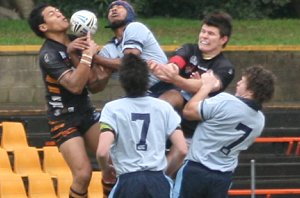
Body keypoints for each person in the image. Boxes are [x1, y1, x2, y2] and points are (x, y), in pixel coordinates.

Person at [28, 4, 109, 198]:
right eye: (52, 14)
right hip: (63, 119)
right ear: (43, 27)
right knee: (83, 174)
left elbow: (95, 87)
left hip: (87, 113)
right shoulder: (48, 54)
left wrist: (105, 73)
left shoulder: (77, 42)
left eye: (58, 11)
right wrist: (87, 56)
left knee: (112, 163)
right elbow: (74, 86)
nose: (59, 13)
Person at [173, 65, 276, 198]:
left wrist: (205, 87)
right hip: (223, 177)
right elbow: (222, 114)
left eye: (242, 81)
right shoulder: (259, 121)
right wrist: (201, 94)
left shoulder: (226, 100)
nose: (238, 83)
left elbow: (188, 112)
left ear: (250, 91)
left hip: (196, 169)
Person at [96, 53, 188, 198]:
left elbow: (102, 151)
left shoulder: (112, 108)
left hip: (128, 181)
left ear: (122, 80)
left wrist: (106, 169)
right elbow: (182, 149)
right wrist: (165, 172)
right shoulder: (163, 107)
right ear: (147, 79)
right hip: (157, 181)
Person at [149, 11, 235, 139]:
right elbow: (174, 65)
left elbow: (205, 86)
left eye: (210, 33)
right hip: (167, 104)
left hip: (192, 126)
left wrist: (175, 79)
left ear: (223, 39)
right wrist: (162, 70)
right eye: (203, 31)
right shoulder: (189, 49)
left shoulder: (225, 68)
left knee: (173, 95)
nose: (204, 36)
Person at [94, 0, 174, 97]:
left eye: (119, 7)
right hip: (139, 94)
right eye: (111, 9)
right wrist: (84, 55)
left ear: (130, 14)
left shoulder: (135, 27)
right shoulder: (108, 49)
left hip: (165, 87)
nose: (114, 9)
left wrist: (94, 58)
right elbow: (97, 86)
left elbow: (130, 62)